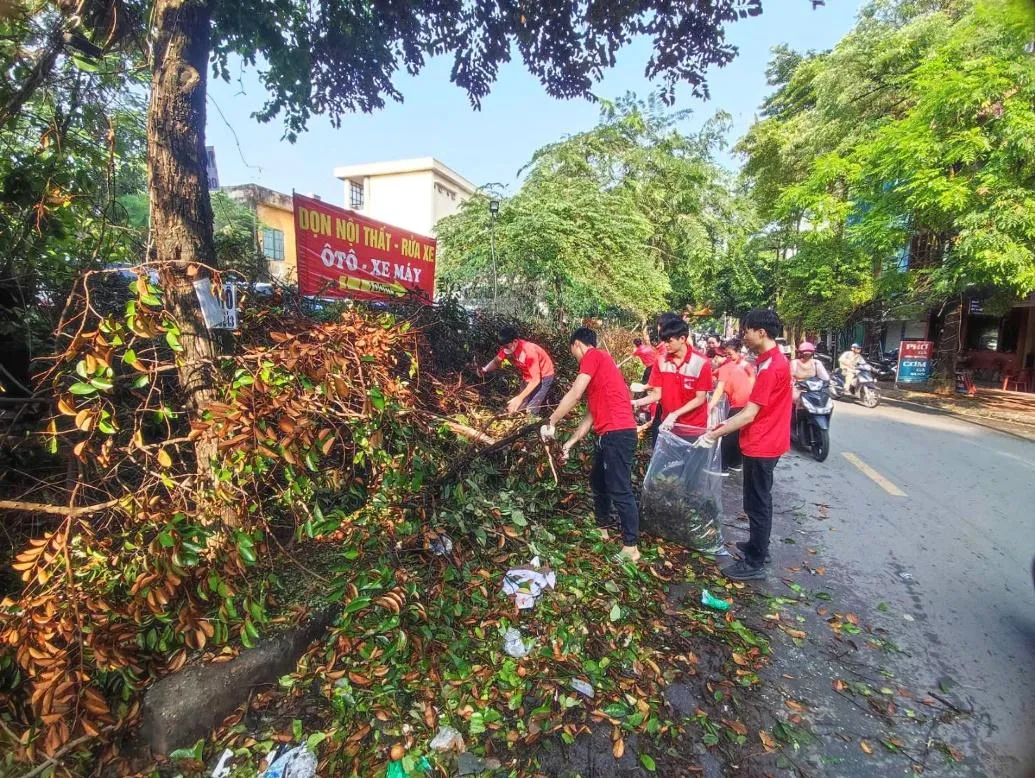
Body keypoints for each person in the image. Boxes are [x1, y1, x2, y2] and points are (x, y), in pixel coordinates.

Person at [696, 309, 791, 581]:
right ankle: (757, 546)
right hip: (764, 440)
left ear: (761, 332)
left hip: (764, 443)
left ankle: (755, 561)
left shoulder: (772, 367)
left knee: (758, 502)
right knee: (758, 499)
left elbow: (750, 413)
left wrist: (714, 434)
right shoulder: (767, 361)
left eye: (747, 330)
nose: (743, 336)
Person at [541, 328, 641, 563]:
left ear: (577, 344)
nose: (576, 359)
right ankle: (602, 529)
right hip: (608, 434)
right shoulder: (602, 370)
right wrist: (570, 442)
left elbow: (575, 394)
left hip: (618, 433)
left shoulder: (593, 356)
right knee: (598, 481)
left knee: (620, 489)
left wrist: (551, 421)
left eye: (573, 352)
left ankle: (631, 548)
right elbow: (590, 415)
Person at [633, 318, 713, 438]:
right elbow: (657, 394)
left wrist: (675, 414)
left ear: (682, 339)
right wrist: (636, 403)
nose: (665, 345)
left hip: (693, 427)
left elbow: (700, 398)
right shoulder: (661, 361)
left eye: (669, 341)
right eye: (664, 341)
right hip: (668, 425)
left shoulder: (701, 362)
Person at [479, 326, 555, 415]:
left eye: (506, 346)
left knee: (532, 407)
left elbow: (536, 380)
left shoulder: (529, 351)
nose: (505, 349)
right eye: (503, 347)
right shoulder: (506, 348)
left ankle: (531, 423)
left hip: (544, 376)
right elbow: (496, 362)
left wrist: (519, 398)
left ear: (515, 341)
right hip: (528, 375)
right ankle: (518, 417)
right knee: (519, 406)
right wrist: (484, 370)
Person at [707, 337, 755, 473]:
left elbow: (718, 390)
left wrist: (709, 407)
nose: (712, 362)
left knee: (728, 434)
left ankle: (722, 467)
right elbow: (712, 376)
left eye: (713, 360)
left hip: (740, 402)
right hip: (745, 402)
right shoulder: (732, 366)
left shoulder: (736, 366)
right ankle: (736, 463)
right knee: (737, 434)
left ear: (717, 358)